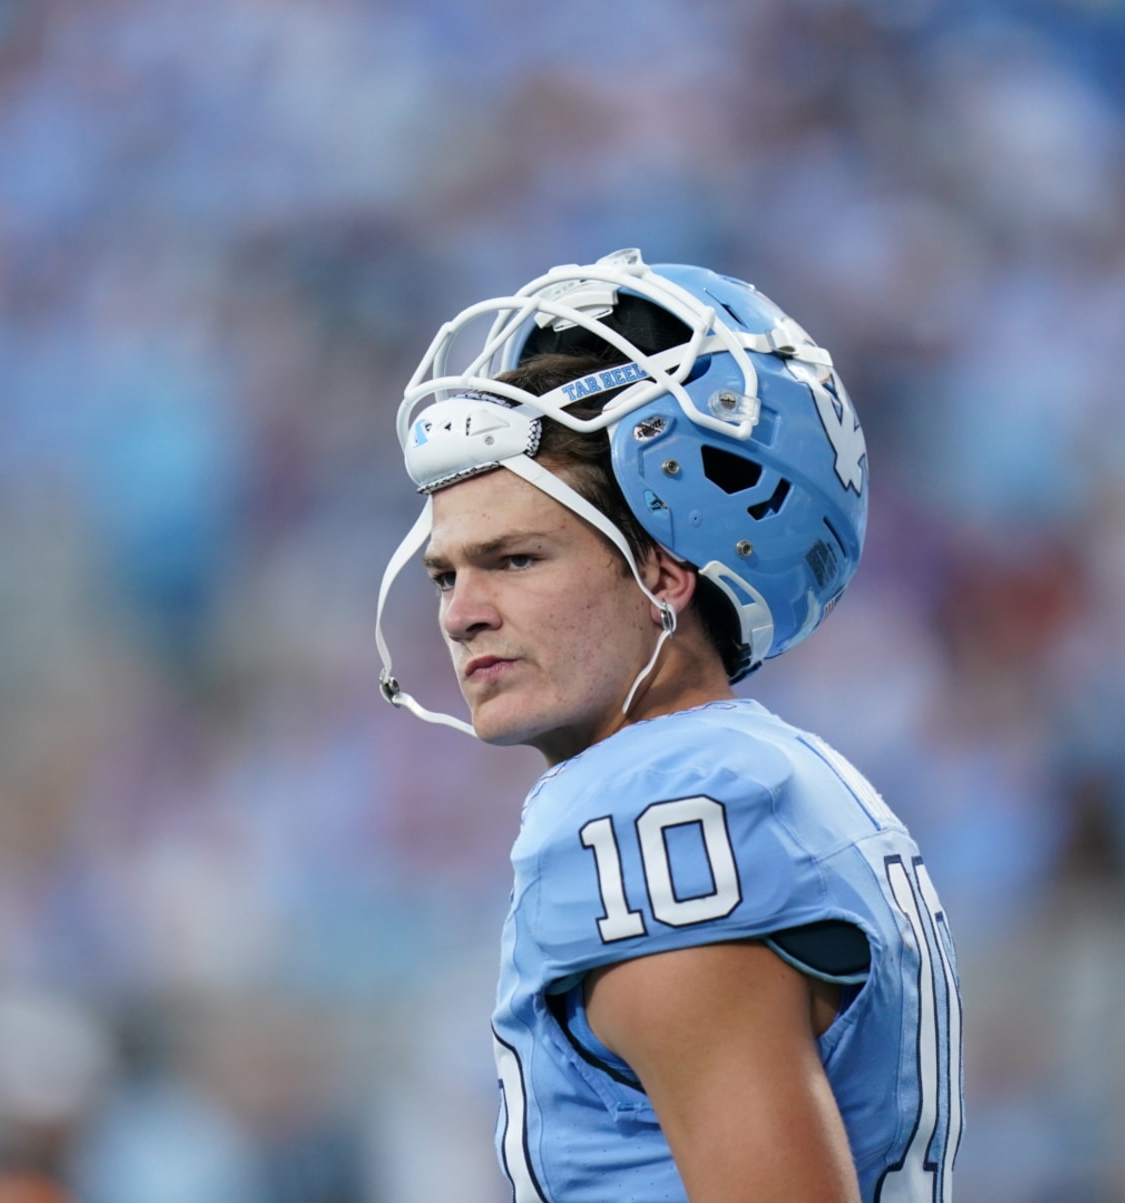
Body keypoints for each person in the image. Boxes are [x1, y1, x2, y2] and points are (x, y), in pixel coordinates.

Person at [374, 250, 962, 1203]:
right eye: (447, 574)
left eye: (516, 559)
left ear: (663, 570)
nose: (459, 611)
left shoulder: (664, 809)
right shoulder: (767, 777)